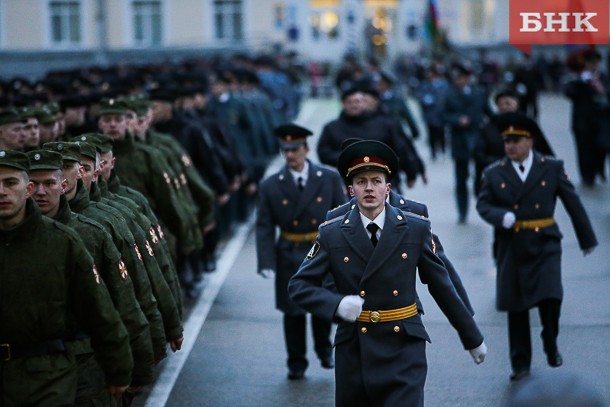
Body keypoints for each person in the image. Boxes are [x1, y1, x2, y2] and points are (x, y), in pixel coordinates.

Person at [288, 140, 486, 407]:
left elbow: (441, 283)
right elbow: (299, 285)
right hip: (355, 347)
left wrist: (471, 336)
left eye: (376, 180)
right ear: (350, 190)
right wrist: (335, 305)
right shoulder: (332, 232)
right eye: (361, 182)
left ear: (388, 188)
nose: (369, 188)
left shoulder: (414, 228)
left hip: (403, 345)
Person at [0, 149, 133, 405]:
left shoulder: (62, 242)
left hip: (46, 376)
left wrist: (118, 368)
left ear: (27, 189)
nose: (2, 191)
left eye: (10, 183)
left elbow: (98, 308)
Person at [476, 113, 598, 381]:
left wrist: (586, 238)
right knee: (517, 308)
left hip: (545, 242)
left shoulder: (551, 167)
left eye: (516, 140)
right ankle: (521, 364)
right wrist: (500, 217)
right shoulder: (494, 172)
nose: (510, 146)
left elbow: (572, 202)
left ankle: (550, 340)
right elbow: (483, 204)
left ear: (530, 141)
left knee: (551, 295)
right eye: (507, 141)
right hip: (513, 245)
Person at [256, 123, 347, 380]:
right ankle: (296, 361)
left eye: (295, 149)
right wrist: (265, 260)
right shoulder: (271, 185)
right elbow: (264, 226)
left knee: (322, 303)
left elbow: (342, 216)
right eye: (286, 150)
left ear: (306, 149)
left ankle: (323, 349)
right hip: (289, 250)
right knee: (293, 311)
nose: (290, 155)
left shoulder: (328, 178)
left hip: (321, 250)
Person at [475, 90, 555, 195]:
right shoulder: (488, 127)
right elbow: (479, 156)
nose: (504, 107)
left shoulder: (528, 125)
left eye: (508, 103)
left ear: (517, 103)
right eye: (500, 104)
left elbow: (545, 154)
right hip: (497, 181)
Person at [440, 64, 489, 223]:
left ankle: (480, 196)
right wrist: (456, 120)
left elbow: (488, 112)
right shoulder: (449, 94)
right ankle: (462, 211)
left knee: (481, 173)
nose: (460, 81)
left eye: (463, 77)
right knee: (461, 178)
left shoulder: (479, 92)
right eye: (457, 78)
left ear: (468, 78)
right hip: (459, 140)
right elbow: (441, 114)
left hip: (478, 139)